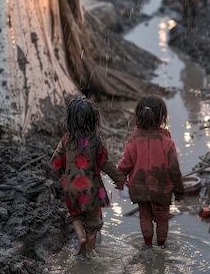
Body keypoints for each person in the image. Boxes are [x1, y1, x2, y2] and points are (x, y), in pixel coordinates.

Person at [51, 96, 124, 258]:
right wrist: (119, 179)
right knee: (93, 223)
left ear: (70, 119)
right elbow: (105, 163)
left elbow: (55, 161)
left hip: (71, 188)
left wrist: (58, 174)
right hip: (92, 189)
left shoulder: (66, 140)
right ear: (93, 120)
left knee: (75, 214)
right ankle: (89, 253)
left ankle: (80, 238)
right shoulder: (96, 141)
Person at [118, 95, 184, 249]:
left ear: (138, 117)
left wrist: (119, 180)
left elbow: (125, 164)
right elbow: (174, 169)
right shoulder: (167, 143)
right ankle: (161, 247)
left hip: (139, 189)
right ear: (163, 117)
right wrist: (179, 189)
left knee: (145, 215)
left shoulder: (133, 141)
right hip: (162, 190)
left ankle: (147, 246)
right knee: (162, 219)